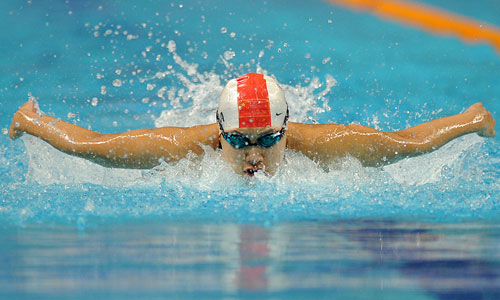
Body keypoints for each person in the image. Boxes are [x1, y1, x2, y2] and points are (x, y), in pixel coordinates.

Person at [9, 73, 496, 177]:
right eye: (239, 142)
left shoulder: (328, 146)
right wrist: (34, 122)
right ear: (219, 133)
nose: (254, 156)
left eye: (267, 141)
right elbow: (95, 145)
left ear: (287, 130)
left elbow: (405, 143)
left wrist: (471, 120)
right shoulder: (182, 148)